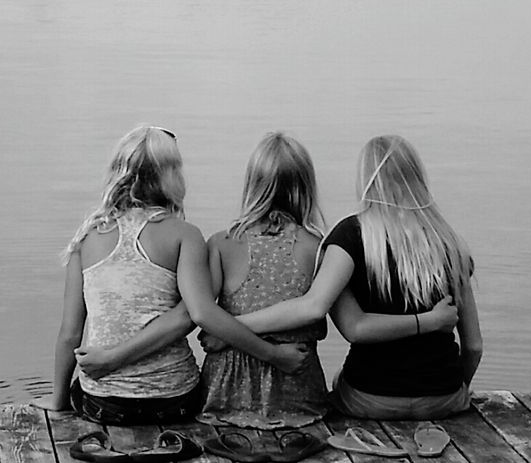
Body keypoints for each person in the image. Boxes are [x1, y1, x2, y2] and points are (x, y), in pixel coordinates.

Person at [38, 124, 308, 426]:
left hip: (104, 405)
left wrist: (59, 401)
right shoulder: (185, 235)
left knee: (81, 392)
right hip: (175, 401)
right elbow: (198, 314)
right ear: (171, 175)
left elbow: (70, 334)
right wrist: (273, 354)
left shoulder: (86, 238)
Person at [236, 135, 482, 420]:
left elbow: (323, 312)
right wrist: (455, 389)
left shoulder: (350, 235)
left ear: (366, 178)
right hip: (445, 398)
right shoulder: (450, 243)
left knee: (340, 381)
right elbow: (474, 346)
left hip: (370, 398)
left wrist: (232, 327)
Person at [197, 132, 329, 428]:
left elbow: (204, 318)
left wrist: (225, 331)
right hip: (296, 394)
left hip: (224, 394)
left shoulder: (221, 244)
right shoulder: (317, 246)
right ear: (305, 186)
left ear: (252, 185)